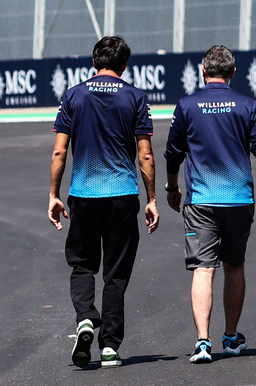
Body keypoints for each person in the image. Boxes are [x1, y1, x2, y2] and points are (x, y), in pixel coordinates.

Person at [48, 35, 159, 369]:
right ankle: (109, 346)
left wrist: (53, 194)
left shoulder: (73, 95)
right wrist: (152, 198)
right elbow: (146, 155)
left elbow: (59, 151)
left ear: (94, 61)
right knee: (115, 274)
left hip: (83, 195)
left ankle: (85, 317)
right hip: (123, 195)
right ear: (125, 65)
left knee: (82, 264)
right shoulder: (136, 97)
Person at [164, 45, 256, 364]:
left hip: (201, 199)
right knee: (235, 266)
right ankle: (230, 336)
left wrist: (172, 187)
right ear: (233, 72)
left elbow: (173, 153)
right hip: (239, 198)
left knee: (203, 268)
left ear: (203, 70)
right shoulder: (246, 105)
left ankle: (202, 342)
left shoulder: (187, 105)